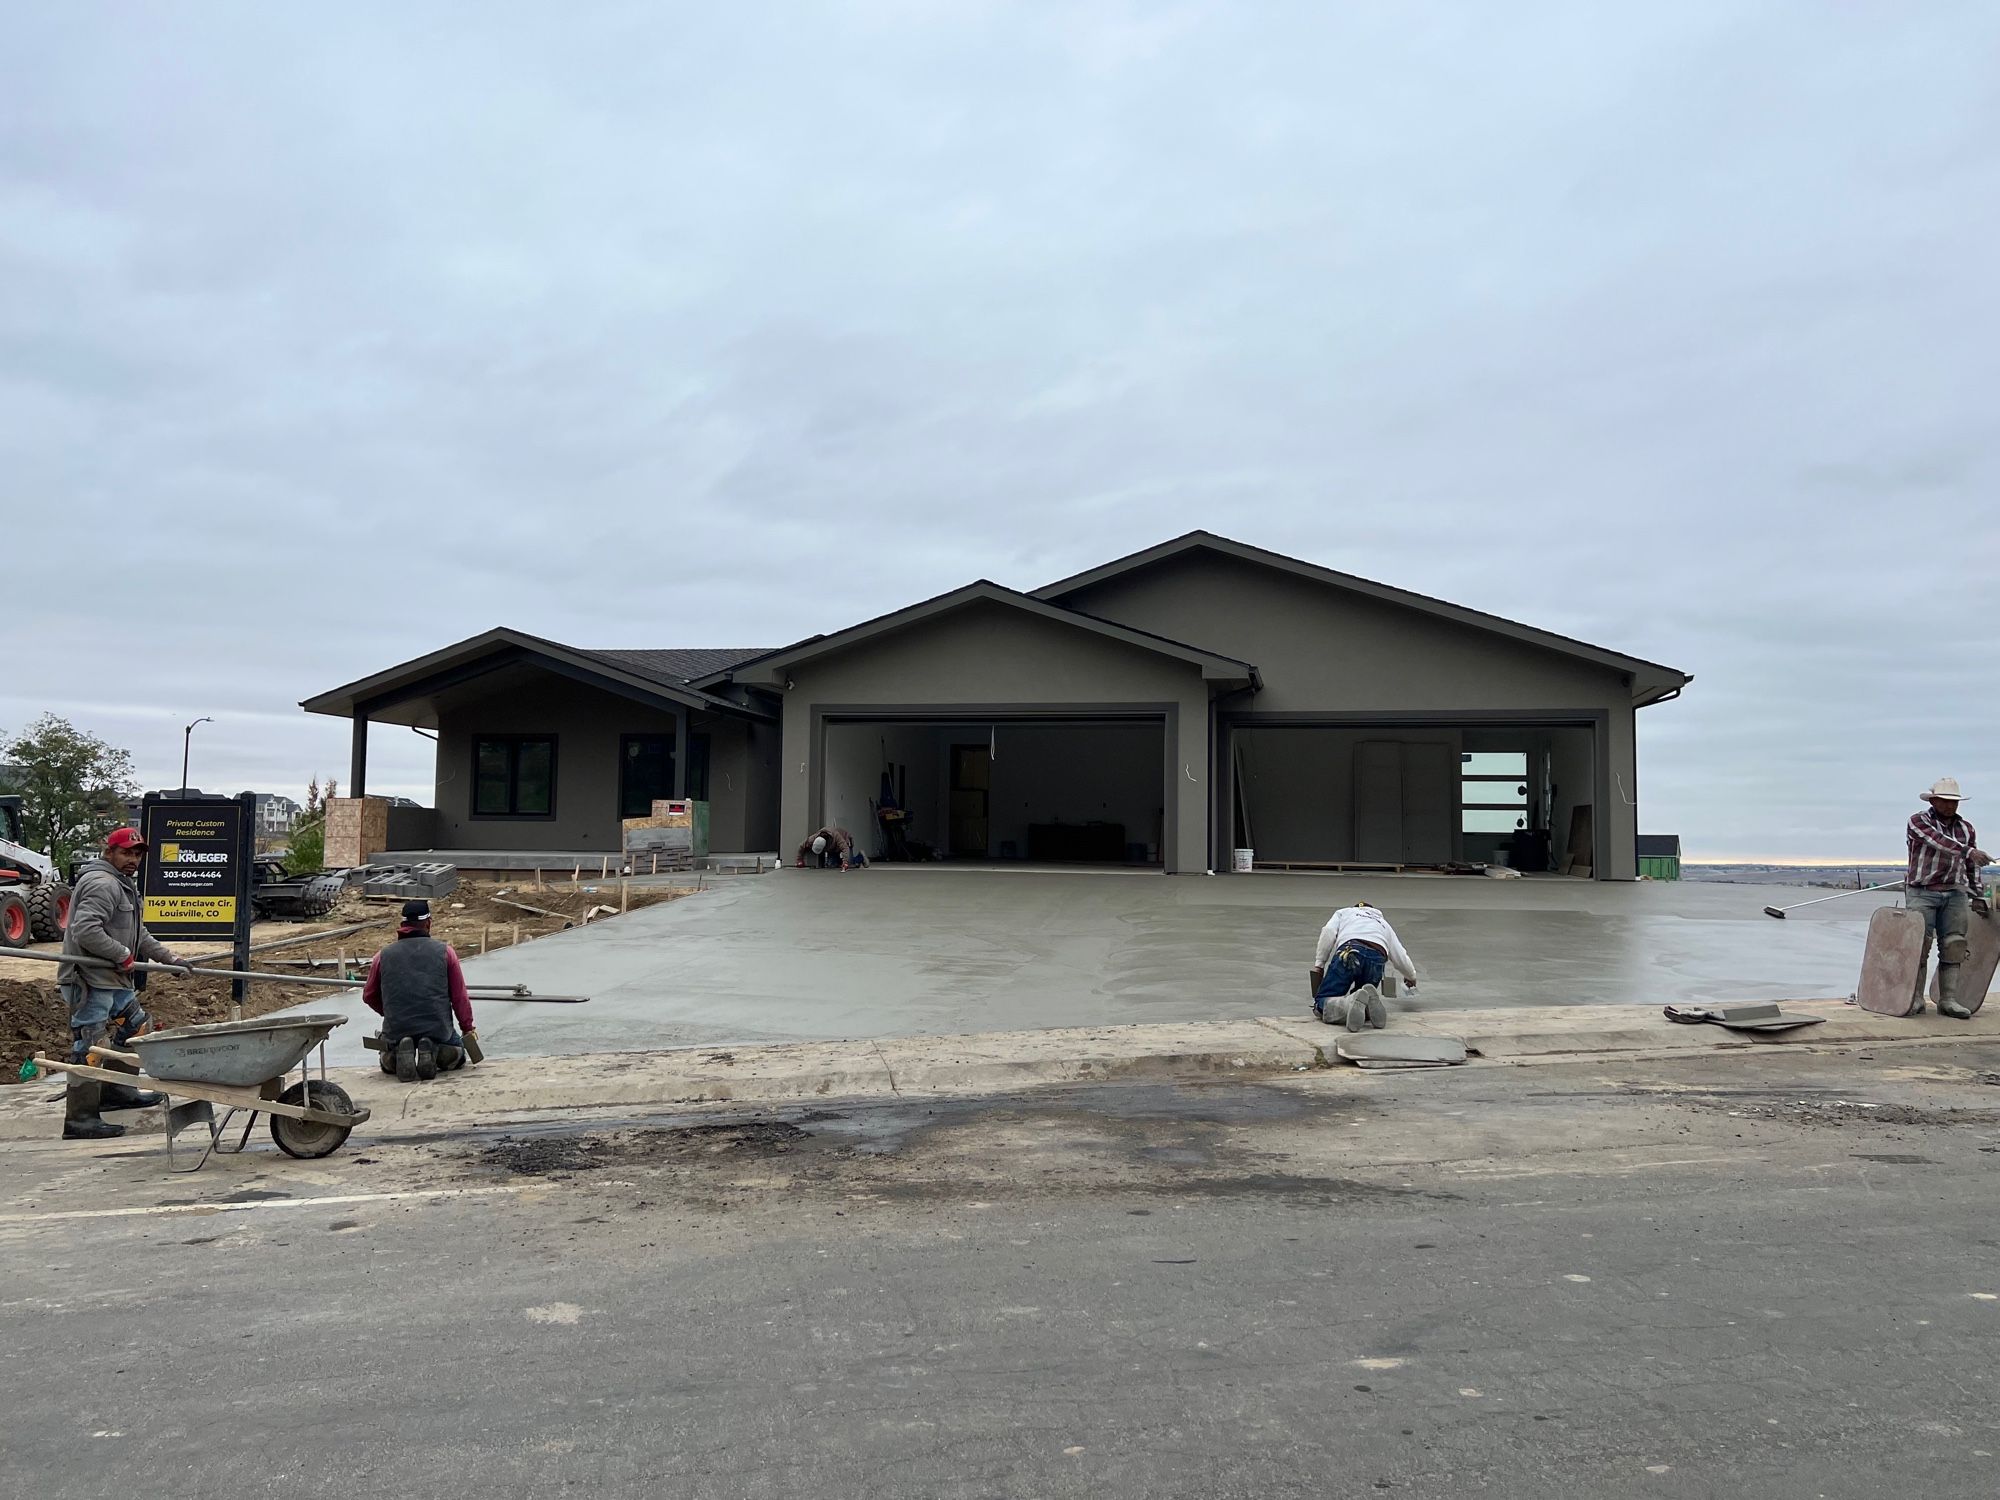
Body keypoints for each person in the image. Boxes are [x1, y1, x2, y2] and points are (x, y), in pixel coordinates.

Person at [56, 827, 188, 1139]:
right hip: (88, 980)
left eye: (137, 854)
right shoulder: (103, 884)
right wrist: (121, 954)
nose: (133, 859)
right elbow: (85, 929)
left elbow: (138, 934)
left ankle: (117, 1092)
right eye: (126, 853)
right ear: (110, 852)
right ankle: (80, 1119)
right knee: (90, 1045)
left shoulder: (123, 884)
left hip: (112, 979)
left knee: (138, 1026)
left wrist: (171, 959)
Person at [362, 900, 477, 1081]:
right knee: (458, 1054)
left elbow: (369, 995)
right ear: (428, 923)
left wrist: (391, 1012)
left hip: (397, 1028)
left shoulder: (382, 956)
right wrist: (467, 1028)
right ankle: (433, 1049)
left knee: (386, 1056)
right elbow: (459, 997)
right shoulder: (446, 952)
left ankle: (396, 1055)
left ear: (402, 925)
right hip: (438, 1029)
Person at [1906, 777, 1991, 1020]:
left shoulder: (1967, 829)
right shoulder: (1918, 821)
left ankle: (1948, 1000)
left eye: (1954, 802)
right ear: (1933, 800)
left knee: (1954, 944)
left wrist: (1976, 893)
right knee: (1918, 946)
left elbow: (1970, 866)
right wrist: (1968, 851)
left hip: (1955, 892)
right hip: (1922, 891)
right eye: (1945, 801)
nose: (1950, 806)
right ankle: (1914, 998)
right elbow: (1937, 841)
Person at [1311, 899, 1419, 1032]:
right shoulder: (1383, 923)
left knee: (1324, 1000)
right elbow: (1400, 954)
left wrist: (1319, 964)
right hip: (1377, 956)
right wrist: (1411, 976)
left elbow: (1328, 932)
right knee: (1362, 998)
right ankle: (1366, 1005)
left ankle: (1349, 1004)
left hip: (1350, 951)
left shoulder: (1345, 912)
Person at [795, 826, 865, 871]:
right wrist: (799, 859)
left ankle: (860, 857)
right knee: (831, 865)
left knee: (849, 864)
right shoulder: (813, 838)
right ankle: (841, 862)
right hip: (832, 849)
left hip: (845, 840)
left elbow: (845, 848)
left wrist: (846, 862)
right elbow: (801, 846)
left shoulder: (836, 836)